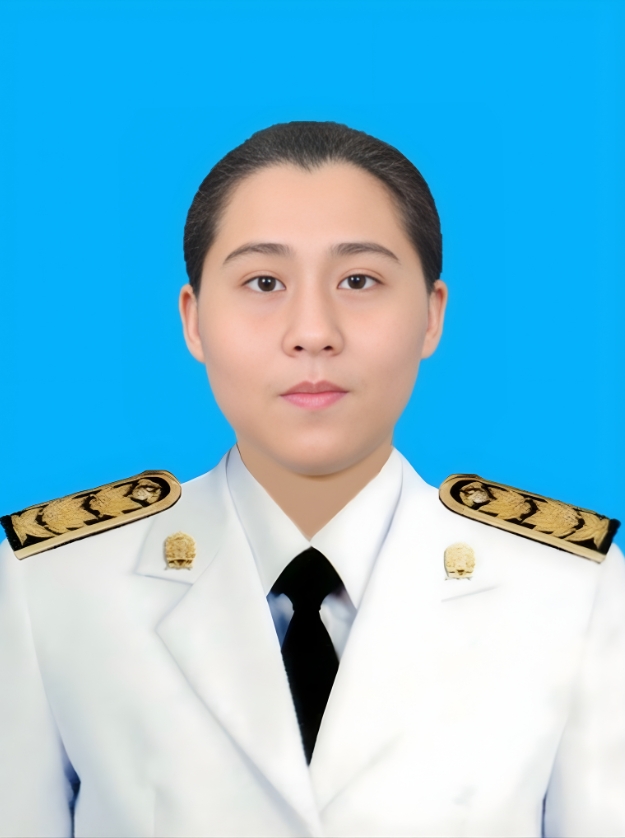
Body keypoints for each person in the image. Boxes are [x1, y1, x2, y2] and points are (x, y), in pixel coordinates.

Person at [0, 121, 623, 838]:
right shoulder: (56, 583)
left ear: (431, 315)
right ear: (194, 320)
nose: (313, 331)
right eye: (263, 282)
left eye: (359, 281)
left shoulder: (568, 589)